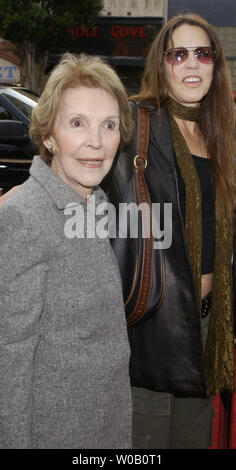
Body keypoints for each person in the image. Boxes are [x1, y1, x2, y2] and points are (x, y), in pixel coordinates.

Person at [106, 13, 236, 449]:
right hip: (152, 327)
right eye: (179, 54)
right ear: (162, 65)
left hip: (206, 331)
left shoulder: (221, 136)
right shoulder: (134, 124)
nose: (192, 64)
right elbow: (73, 162)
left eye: (203, 53)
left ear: (216, 64)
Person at [0, 52, 133, 449]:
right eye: (78, 123)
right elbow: (9, 361)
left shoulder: (97, 205)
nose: (96, 141)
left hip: (105, 426)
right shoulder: (26, 216)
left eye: (108, 125)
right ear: (48, 136)